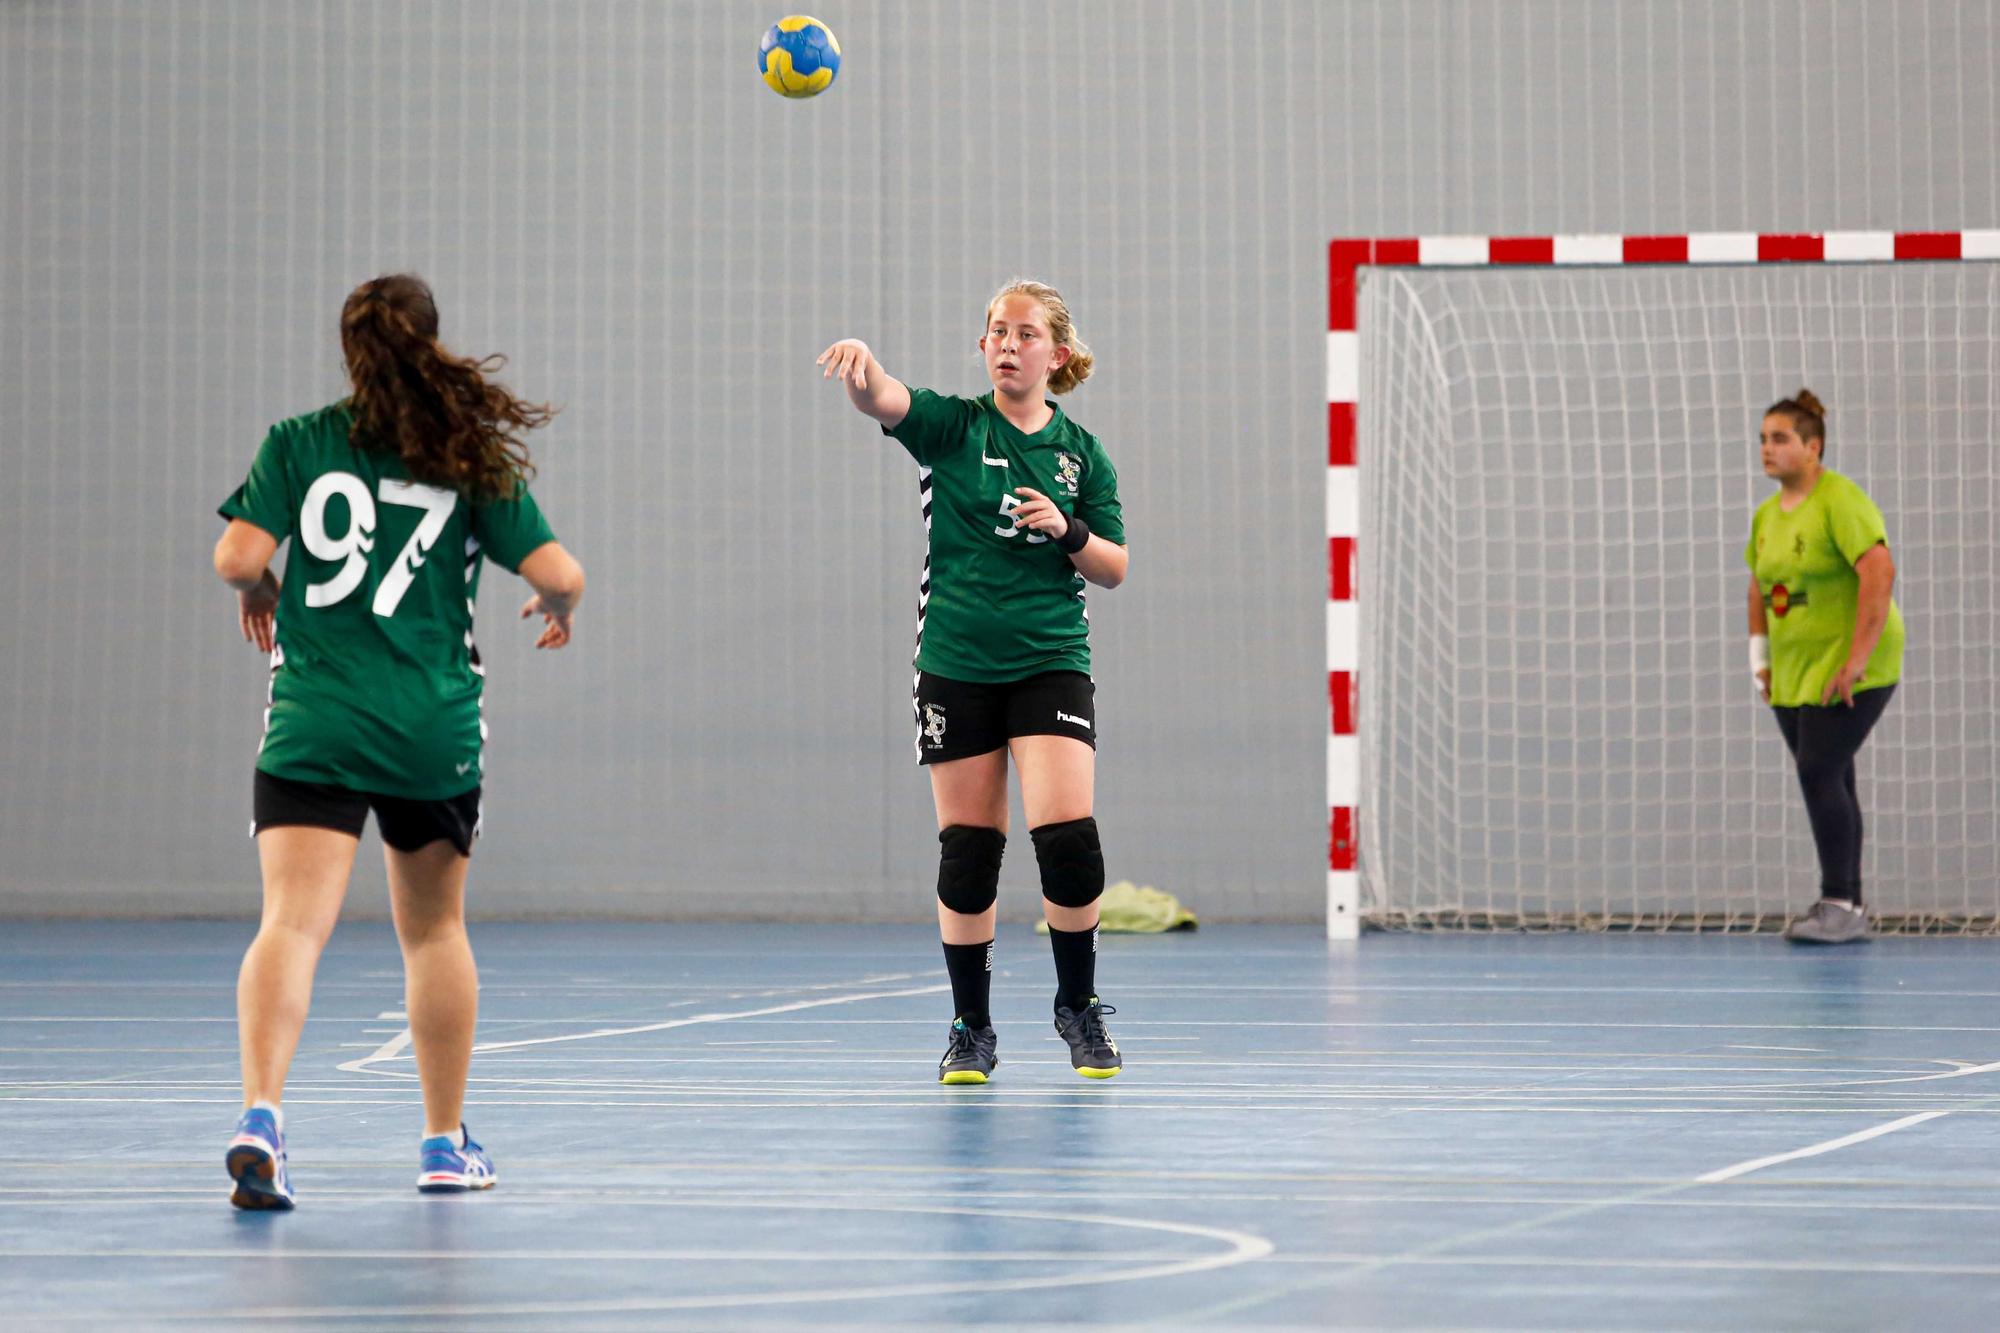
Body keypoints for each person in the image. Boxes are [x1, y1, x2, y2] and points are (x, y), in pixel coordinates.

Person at [212, 275, 585, 1207]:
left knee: (291, 924)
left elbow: (237, 558)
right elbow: (562, 572)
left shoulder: (299, 442)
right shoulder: (463, 455)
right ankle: (441, 1145)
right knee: (433, 931)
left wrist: (260, 588)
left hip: (316, 720)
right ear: (432, 345)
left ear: (351, 352)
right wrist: (559, 603)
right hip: (429, 726)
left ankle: (262, 1114)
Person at [818, 280, 1129, 1083]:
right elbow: (884, 398)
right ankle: (971, 1027)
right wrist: (862, 372)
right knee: (969, 852)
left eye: (1024, 333)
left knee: (1067, 840)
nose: (1005, 343)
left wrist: (1069, 527)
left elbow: (1115, 567)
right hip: (956, 662)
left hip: (1050, 655)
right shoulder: (954, 426)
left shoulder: (1082, 455)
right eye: (995, 330)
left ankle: (1078, 1005)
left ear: (1055, 354)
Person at [1746, 389, 1902, 945]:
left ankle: (1839, 902)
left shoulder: (1841, 501)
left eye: (1780, 438)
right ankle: (1849, 903)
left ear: (1812, 447)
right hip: (1796, 670)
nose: (1767, 448)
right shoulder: (1767, 516)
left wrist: (1857, 659)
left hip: (1857, 665)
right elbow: (1759, 588)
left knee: (1817, 769)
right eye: (1763, 439)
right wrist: (1759, 659)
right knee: (1829, 772)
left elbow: (1878, 572)